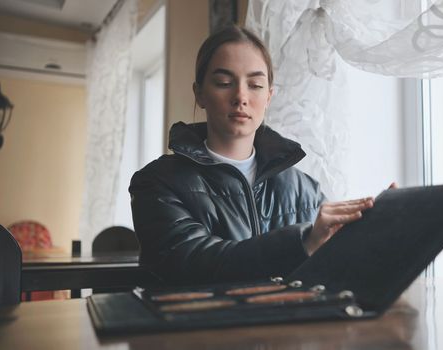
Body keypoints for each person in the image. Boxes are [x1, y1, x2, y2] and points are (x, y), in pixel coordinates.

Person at [129, 25, 373, 285]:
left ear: (269, 97)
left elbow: (337, 268)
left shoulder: (304, 189)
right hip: (198, 325)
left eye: (255, 85)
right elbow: (193, 263)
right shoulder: (157, 182)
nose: (241, 97)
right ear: (199, 93)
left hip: (293, 325)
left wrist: (384, 229)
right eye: (224, 83)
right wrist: (302, 242)